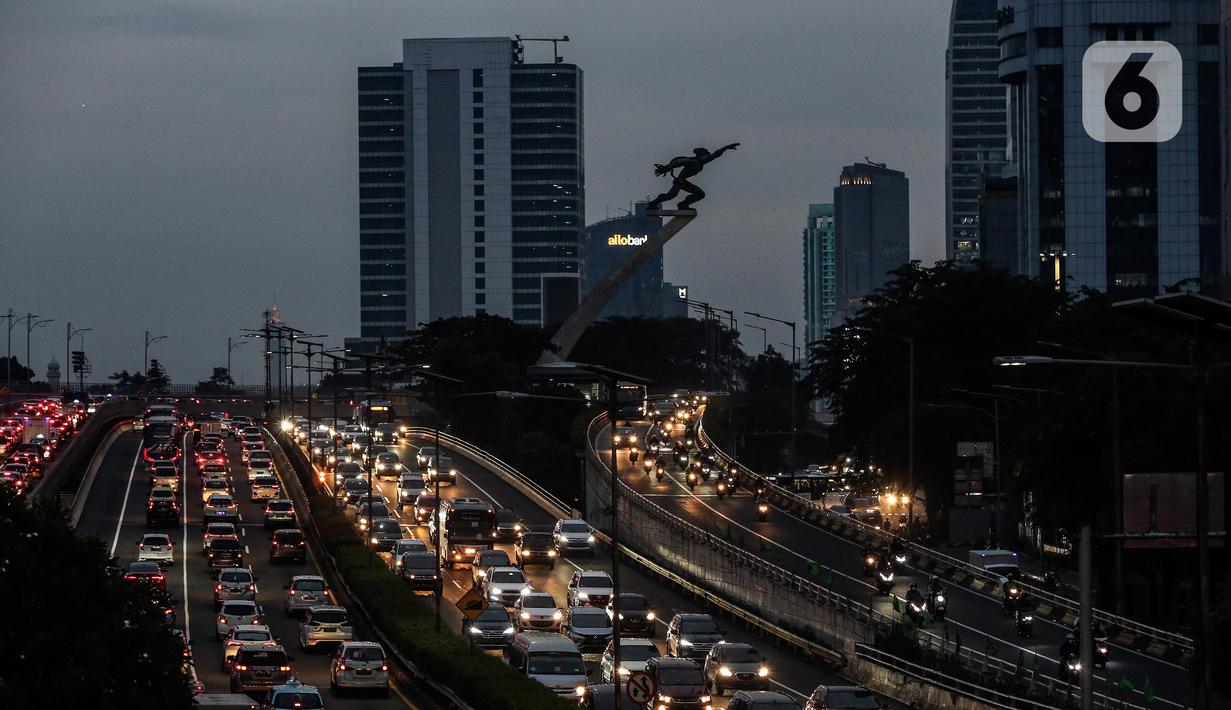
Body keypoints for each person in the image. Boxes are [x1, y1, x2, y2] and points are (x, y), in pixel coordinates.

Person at [648, 144, 740, 210]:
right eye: (706, 153)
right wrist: (668, 167)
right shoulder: (693, 161)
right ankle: (656, 203)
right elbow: (679, 161)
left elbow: (715, 155)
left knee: (672, 195)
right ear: (702, 155)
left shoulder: (700, 162)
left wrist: (726, 147)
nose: (708, 155)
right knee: (673, 195)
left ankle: (680, 204)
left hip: (681, 181)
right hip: (681, 181)